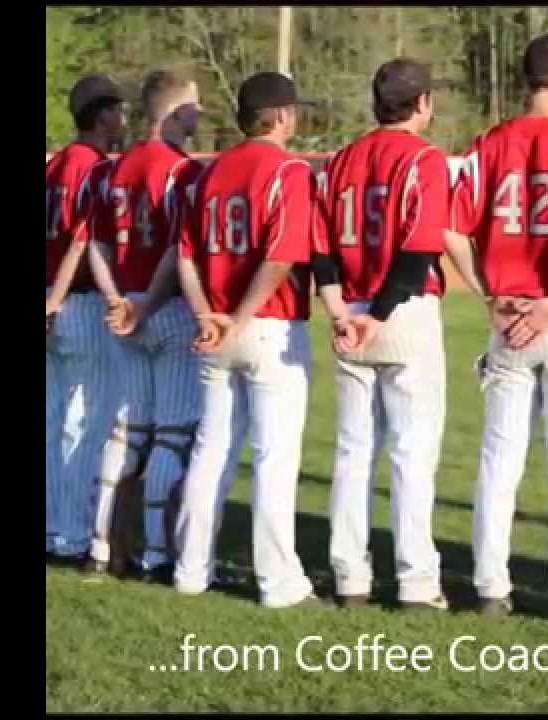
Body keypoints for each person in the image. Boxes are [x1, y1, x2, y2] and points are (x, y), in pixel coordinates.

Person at [445, 34, 548, 623]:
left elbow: (450, 229)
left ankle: (492, 586)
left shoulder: (493, 142)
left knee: (500, 456)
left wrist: (489, 294)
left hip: (507, 313)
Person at [172, 71, 324, 609]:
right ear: (281, 116)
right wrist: (237, 316)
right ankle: (278, 582)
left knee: (211, 450)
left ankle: (190, 570)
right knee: (273, 457)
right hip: (266, 325)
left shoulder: (207, 174)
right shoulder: (288, 169)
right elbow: (280, 257)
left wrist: (206, 315)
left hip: (214, 325)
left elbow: (186, 256)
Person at [312, 59, 453, 611]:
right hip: (403, 312)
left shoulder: (340, 161)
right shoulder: (423, 158)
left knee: (352, 453)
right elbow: (419, 250)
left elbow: (319, 249)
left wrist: (338, 310)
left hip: (349, 307)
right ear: (421, 104)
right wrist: (381, 312)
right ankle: (417, 583)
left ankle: (351, 578)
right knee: (411, 453)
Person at [83, 68, 207, 583]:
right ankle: (156, 553)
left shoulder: (111, 169)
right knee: (172, 435)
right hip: (167, 308)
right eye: (195, 105)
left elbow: (95, 242)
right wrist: (146, 305)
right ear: (176, 110)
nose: (200, 114)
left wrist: (117, 299)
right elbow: (181, 250)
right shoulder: (185, 172)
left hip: (125, 303)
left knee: (125, 431)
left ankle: (99, 547)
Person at [46, 74, 127, 564]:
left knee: (55, 419)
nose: (122, 120)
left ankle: (55, 524)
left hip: (53, 300)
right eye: (116, 111)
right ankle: (73, 533)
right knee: (86, 421)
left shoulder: (55, 164)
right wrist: (57, 296)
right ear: (101, 116)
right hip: (76, 300)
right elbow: (82, 236)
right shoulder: (91, 167)